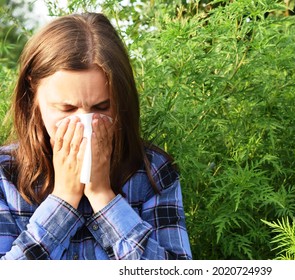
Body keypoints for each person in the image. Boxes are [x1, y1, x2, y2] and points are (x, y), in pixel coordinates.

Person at [0, 12, 192, 260]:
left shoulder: (153, 172)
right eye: (67, 109)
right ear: (33, 97)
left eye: (101, 108)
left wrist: (103, 197)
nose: (84, 124)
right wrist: (64, 200)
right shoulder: (6, 176)